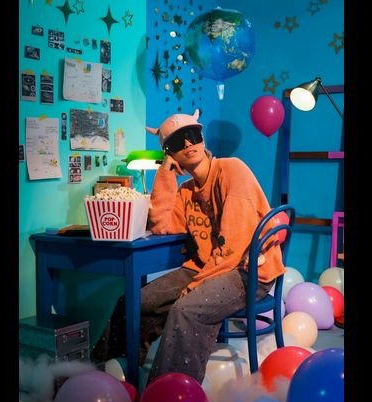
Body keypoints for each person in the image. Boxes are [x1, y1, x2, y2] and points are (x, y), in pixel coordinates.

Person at [92, 109, 284, 385]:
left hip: (248, 270)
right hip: (206, 266)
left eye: (192, 135)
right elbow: (162, 224)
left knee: (187, 309)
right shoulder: (186, 191)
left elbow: (235, 243)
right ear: (169, 153)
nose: (187, 144)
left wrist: (195, 286)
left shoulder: (232, 169)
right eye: (176, 142)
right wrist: (165, 173)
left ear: (202, 139)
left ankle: (169, 397)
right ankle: (104, 376)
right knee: (135, 301)